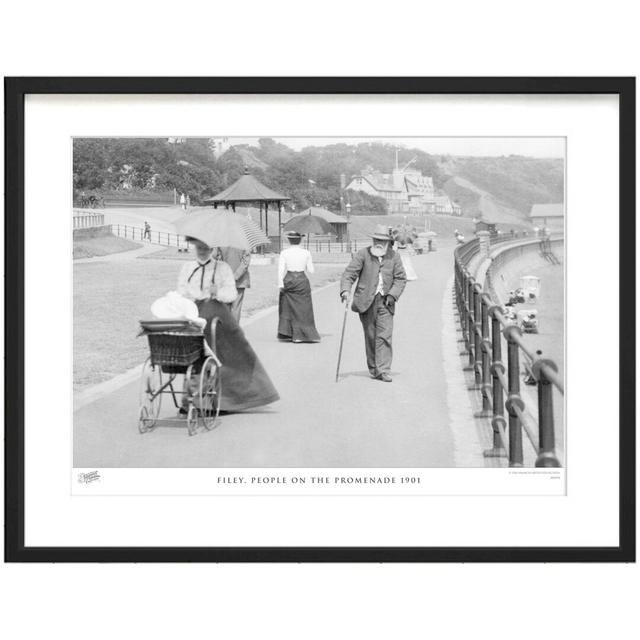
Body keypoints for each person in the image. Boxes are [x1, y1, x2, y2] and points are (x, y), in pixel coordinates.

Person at [177, 237, 279, 412]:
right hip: (194, 312)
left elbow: (231, 294)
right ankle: (192, 400)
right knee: (194, 353)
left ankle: (225, 400)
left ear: (212, 249)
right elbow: (181, 290)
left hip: (216, 313)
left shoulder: (221, 268)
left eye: (206, 247)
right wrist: (191, 297)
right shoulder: (188, 268)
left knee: (229, 351)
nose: (202, 250)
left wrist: (217, 293)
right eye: (199, 247)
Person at [339, 225, 407, 382]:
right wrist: (345, 291)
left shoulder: (394, 257)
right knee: (371, 336)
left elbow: (400, 278)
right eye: (377, 240)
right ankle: (374, 368)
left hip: (386, 301)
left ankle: (383, 370)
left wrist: (392, 295)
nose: (379, 243)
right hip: (366, 301)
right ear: (373, 240)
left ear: (388, 242)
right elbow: (349, 274)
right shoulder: (362, 254)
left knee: (384, 336)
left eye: (383, 241)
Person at [277, 231, 321, 343]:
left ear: (289, 240)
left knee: (287, 306)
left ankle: (288, 332)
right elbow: (311, 270)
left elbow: (280, 270)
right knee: (304, 308)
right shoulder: (306, 253)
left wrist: (280, 284)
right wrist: (307, 262)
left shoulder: (284, 253)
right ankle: (303, 334)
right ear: (300, 240)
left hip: (289, 279)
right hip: (301, 280)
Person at [216, 246, 251, 323]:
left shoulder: (221, 241)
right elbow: (245, 262)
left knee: (225, 308)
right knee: (236, 309)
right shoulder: (243, 242)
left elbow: (217, 259)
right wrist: (235, 276)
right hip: (239, 282)